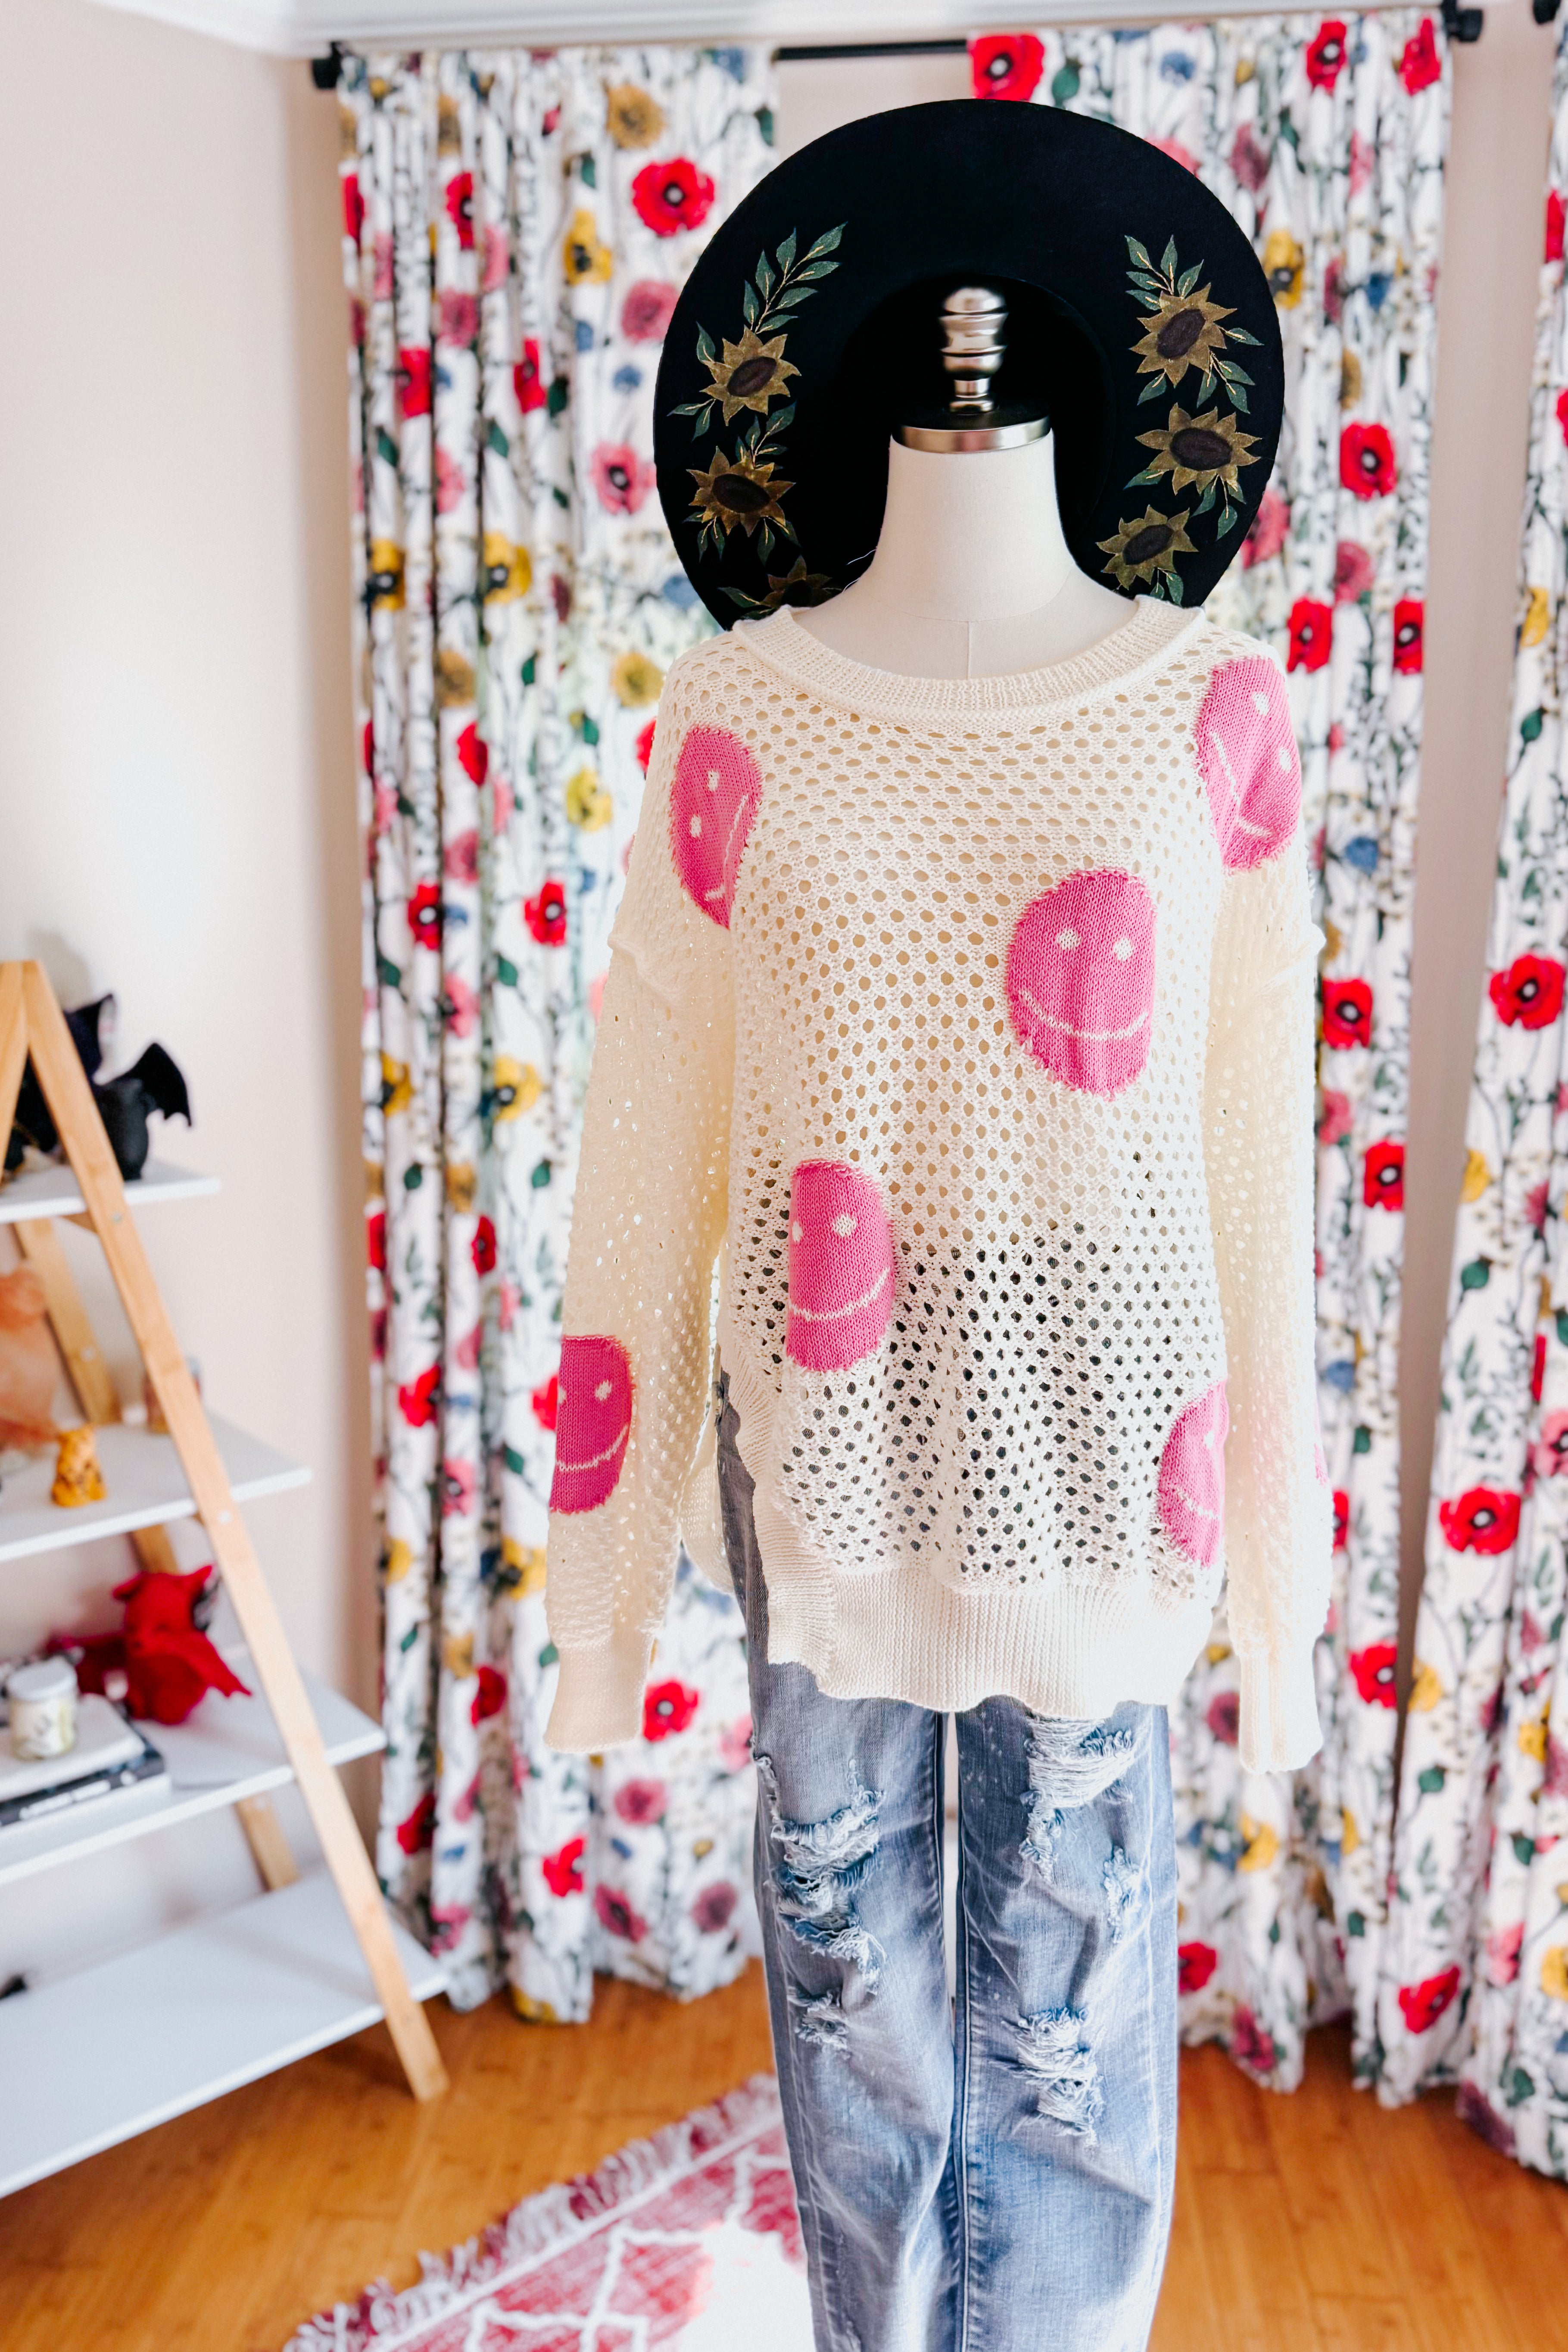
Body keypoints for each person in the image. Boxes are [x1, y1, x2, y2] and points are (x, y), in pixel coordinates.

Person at [543, 99, 1329, 2352]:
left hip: (1110, 1417)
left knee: (1069, 1996)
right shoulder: (745, 707)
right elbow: (649, 1136)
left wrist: (1277, 1598)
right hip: (828, 1420)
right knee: (852, 1974)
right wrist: (597, 1595)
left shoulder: (1210, 703)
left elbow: (1257, 1159)